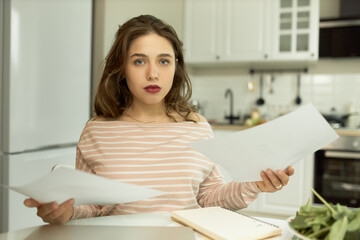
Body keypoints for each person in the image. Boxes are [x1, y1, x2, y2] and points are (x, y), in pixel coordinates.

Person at [24, 15, 294, 225]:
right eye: (139, 61)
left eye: (163, 61)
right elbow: (94, 205)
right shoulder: (97, 131)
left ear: (175, 67)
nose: (153, 73)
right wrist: (65, 212)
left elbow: (208, 197)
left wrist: (255, 185)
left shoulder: (196, 126)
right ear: (122, 70)